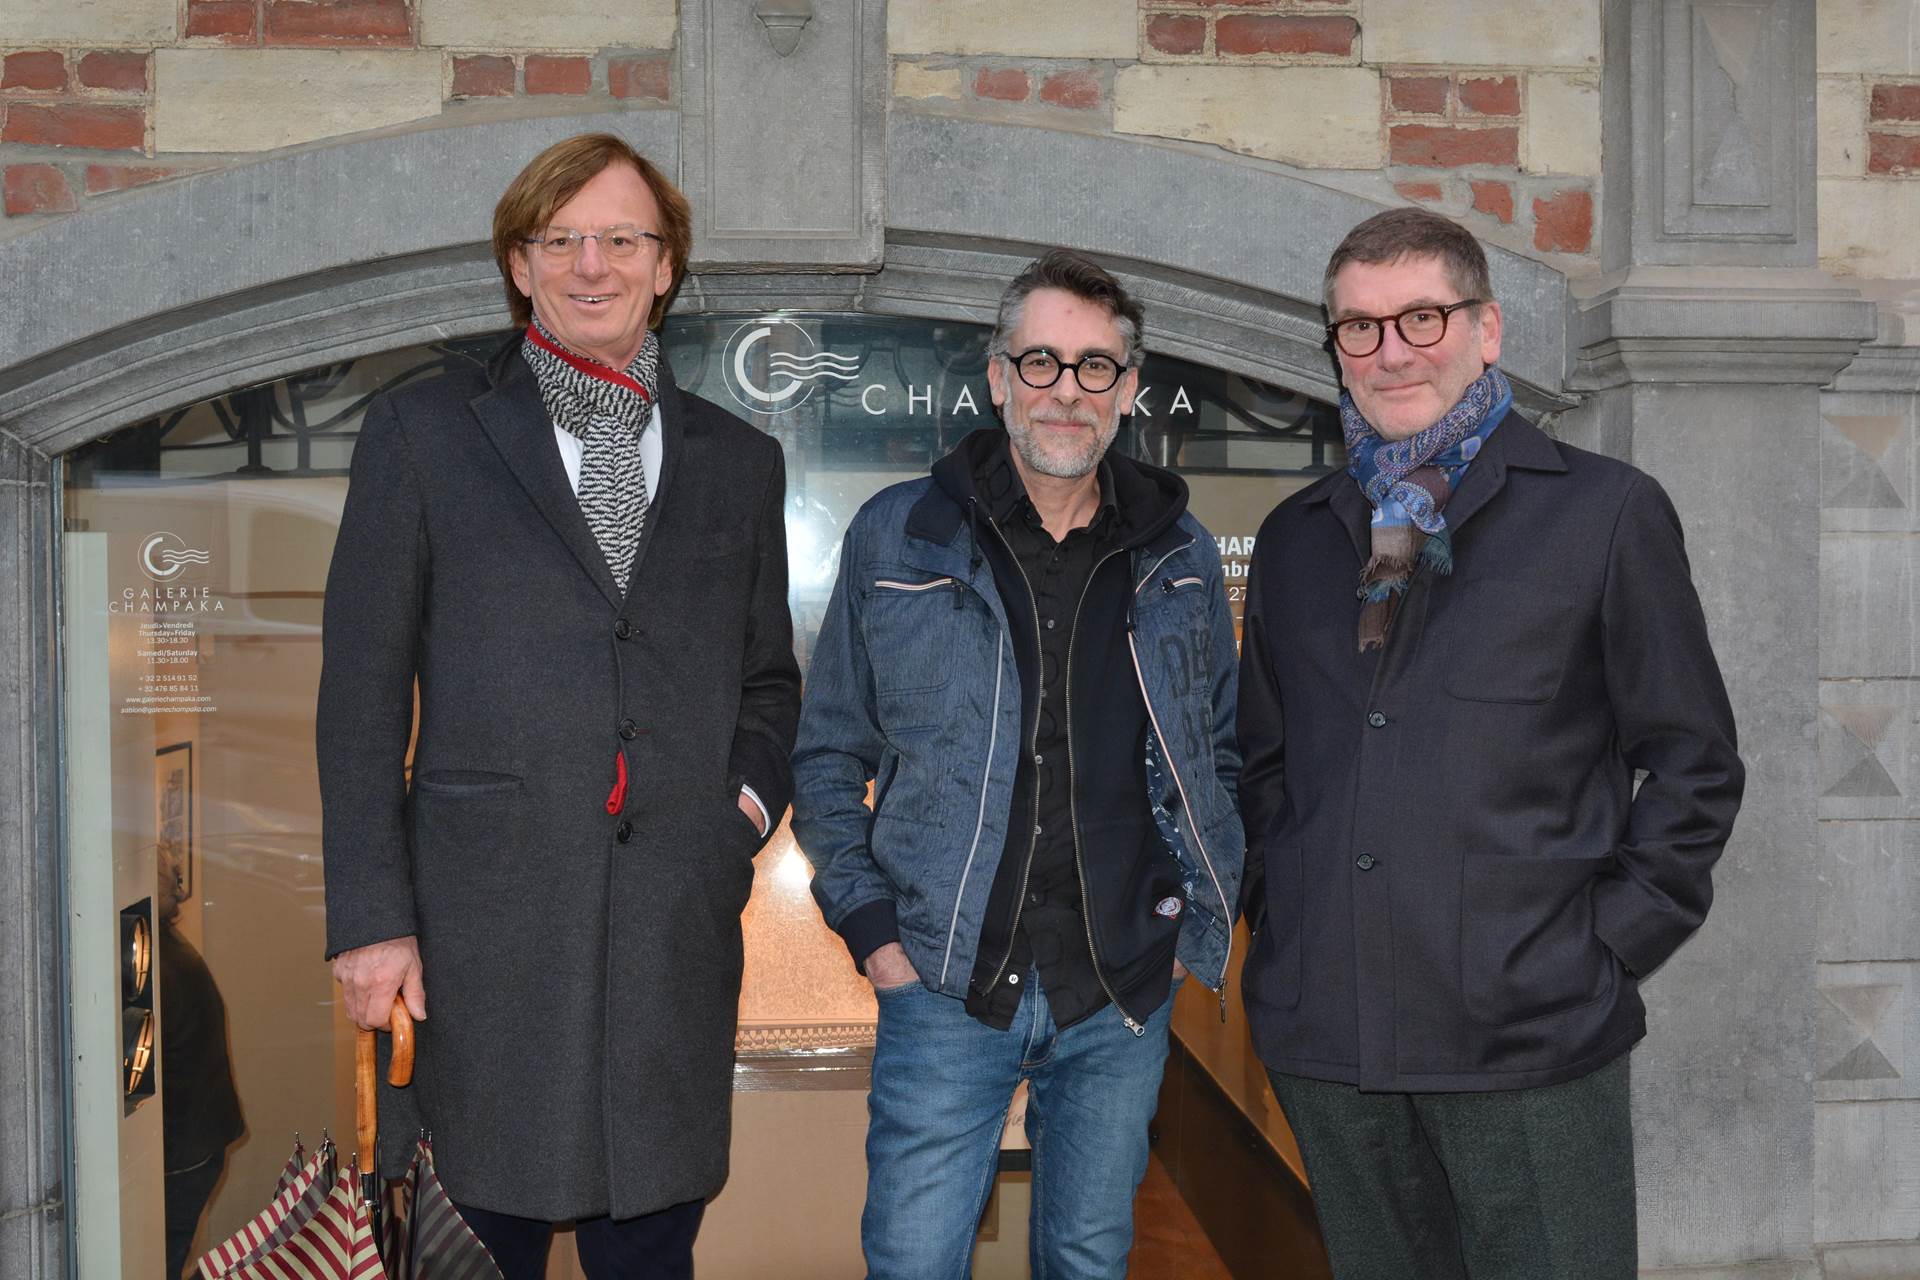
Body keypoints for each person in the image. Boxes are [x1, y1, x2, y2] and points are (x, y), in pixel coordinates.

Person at [316, 132, 801, 1280]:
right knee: (473, 1253)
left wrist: (731, 819)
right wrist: (371, 920)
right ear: (519, 265)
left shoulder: (739, 462)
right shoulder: (422, 434)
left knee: (652, 1252)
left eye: (623, 238)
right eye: (562, 238)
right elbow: (360, 694)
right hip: (480, 951)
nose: (594, 263)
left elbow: (769, 683)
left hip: (668, 949)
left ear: (665, 265)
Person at [1236, 207, 1745, 1278]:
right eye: (1360, 327)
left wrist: (1602, 947)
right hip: (1331, 1037)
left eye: (1422, 316)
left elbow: (1694, 761)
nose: (1391, 351)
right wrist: (1284, 922)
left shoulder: (1604, 513)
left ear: (1488, 328)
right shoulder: (1295, 539)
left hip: (1530, 1038)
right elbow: (1268, 764)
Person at [792, 249, 1244, 1279]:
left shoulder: (1177, 554)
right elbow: (826, 756)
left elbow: (1217, 752)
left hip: (1122, 987)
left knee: (1087, 1259)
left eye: (1095, 366)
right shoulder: (900, 535)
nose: (1066, 390)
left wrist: (1187, 932)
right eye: (1041, 362)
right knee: (913, 1261)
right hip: (943, 983)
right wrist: (877, 937)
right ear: (999, 378)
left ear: (1128, 389)